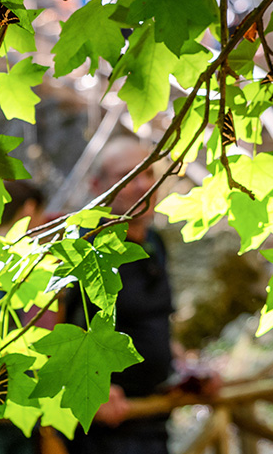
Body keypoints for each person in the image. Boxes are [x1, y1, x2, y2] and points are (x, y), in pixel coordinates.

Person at [61, 138, 217, 454]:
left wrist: (188, 371)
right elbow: (52, 331)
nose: (142, 185)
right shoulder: (81, 247)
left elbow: (156, 323)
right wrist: (90, 386)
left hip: (153, 414)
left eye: (148, 174)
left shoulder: (154, 242)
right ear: (97, 186)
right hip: (99, 426)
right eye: (127, 177)